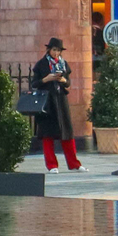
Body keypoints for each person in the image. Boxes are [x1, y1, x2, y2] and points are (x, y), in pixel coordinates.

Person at [28, 37, 82, 171]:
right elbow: (34, 84)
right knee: (48, 135)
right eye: (54, 50)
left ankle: (74, 164)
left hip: (60, 100)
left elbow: (68, 83)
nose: (56, 53)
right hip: (47, 102)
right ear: (49, 50)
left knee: (67, 132)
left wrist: (63, 80)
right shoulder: (41, 64)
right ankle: (52, 165)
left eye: (58, 51)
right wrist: (46, 79)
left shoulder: (63, 64)